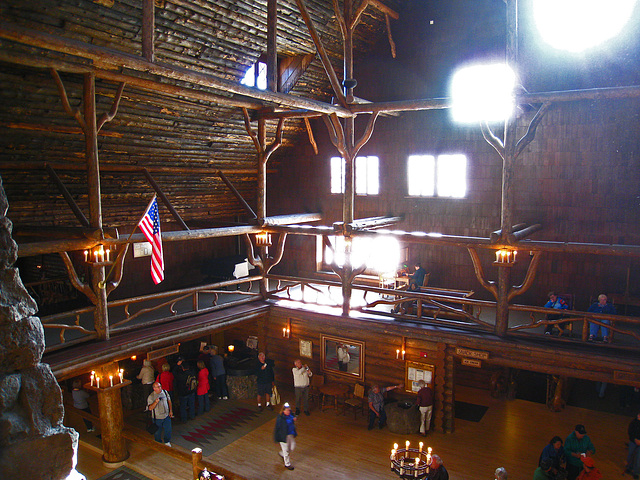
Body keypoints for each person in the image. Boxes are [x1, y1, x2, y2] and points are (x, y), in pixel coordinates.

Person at [147, 381, 173, 446]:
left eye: (160, 386)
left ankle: (167, 441)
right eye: (158, 387)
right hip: (157, 418)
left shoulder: (165, 392)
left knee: (168, 430)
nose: (160, 388)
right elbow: (150, 408)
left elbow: (169, 401)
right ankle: (158, 442)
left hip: (166, 416)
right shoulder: (151, 397)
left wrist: (171, 411)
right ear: (154, 388)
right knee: (157, 432)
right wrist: (155, 402)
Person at [274, 402, 297, 470]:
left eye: (289, 410)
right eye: (287, 410)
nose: (288, 411)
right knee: (286, 450)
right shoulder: (281, 418)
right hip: (283, 436)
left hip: (289, 434)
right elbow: (283, 425)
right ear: (283, 410)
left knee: (292, 446)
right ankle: (287, 464)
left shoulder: (290, 415)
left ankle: (282, 453)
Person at [173, 356, 197, 422]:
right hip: (191, 391)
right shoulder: (192, 373)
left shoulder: (181, 375)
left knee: (183, 407)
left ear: (182, 368)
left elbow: (174, 374)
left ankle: (184, 419)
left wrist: (177, 365)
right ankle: (192, 416)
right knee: (191, 404)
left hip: (183, 393)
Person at [626, 412, 640, 479]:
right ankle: (629, 468)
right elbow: (630, 431)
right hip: (633, 442)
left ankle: (636, 472)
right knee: (630, 455)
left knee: (638, 459)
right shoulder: (634, 422)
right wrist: (634, 439)